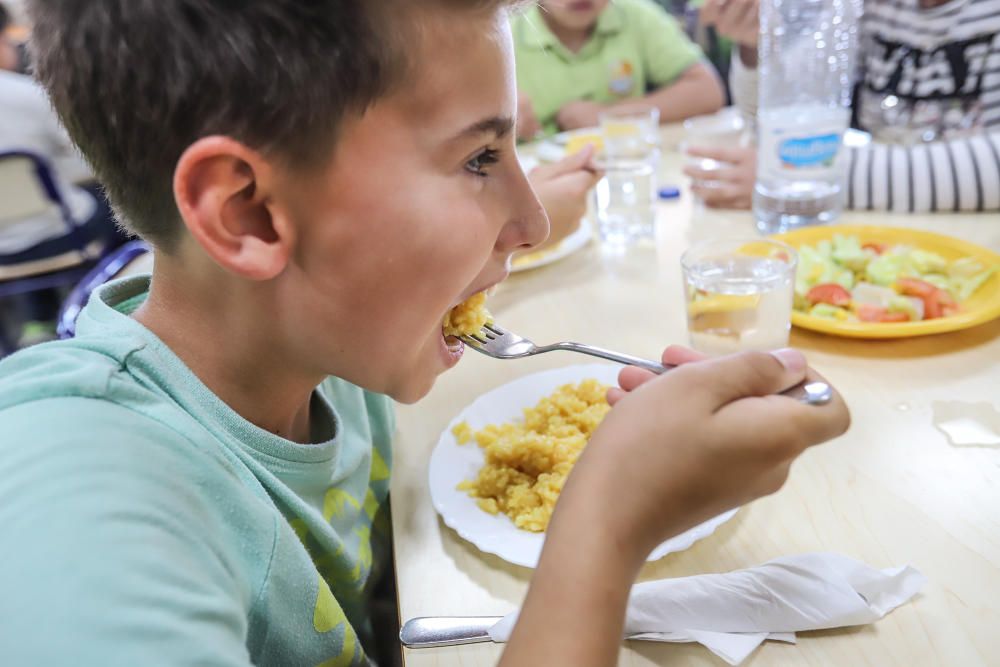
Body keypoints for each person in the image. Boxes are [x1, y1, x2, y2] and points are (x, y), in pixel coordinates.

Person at [0, 2, 849, 665]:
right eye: (480, 160)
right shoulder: (73, 488)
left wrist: (501, 185)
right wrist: (607, 527)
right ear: (251, 213)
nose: (530, 224)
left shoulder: (325, 348)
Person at [688, 0, 1000, 212]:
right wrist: (756, 43)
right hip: (883, 235)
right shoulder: (873, 7)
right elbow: (778, 118)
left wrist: (814, 175)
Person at [513, 0, 726, 140]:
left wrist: (607, 115)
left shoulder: (635, 14)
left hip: (624, 170)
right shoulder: (503, 30)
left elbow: (708, 91)